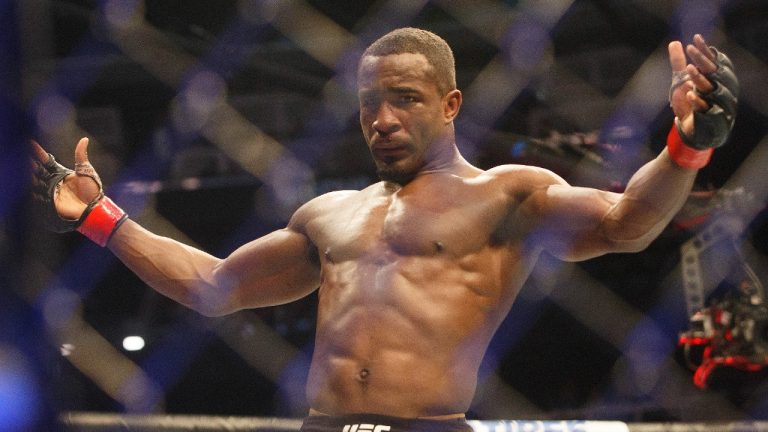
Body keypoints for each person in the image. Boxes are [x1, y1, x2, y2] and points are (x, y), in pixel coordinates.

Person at [32, 28, 738, 431]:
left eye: (405, 100)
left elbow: (624, 225)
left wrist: (686, 146)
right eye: (372, 103)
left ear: (452, 103)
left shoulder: (509, 195)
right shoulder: (328, 213)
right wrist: (101, 218)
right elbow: (214, 285)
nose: (384, 119)